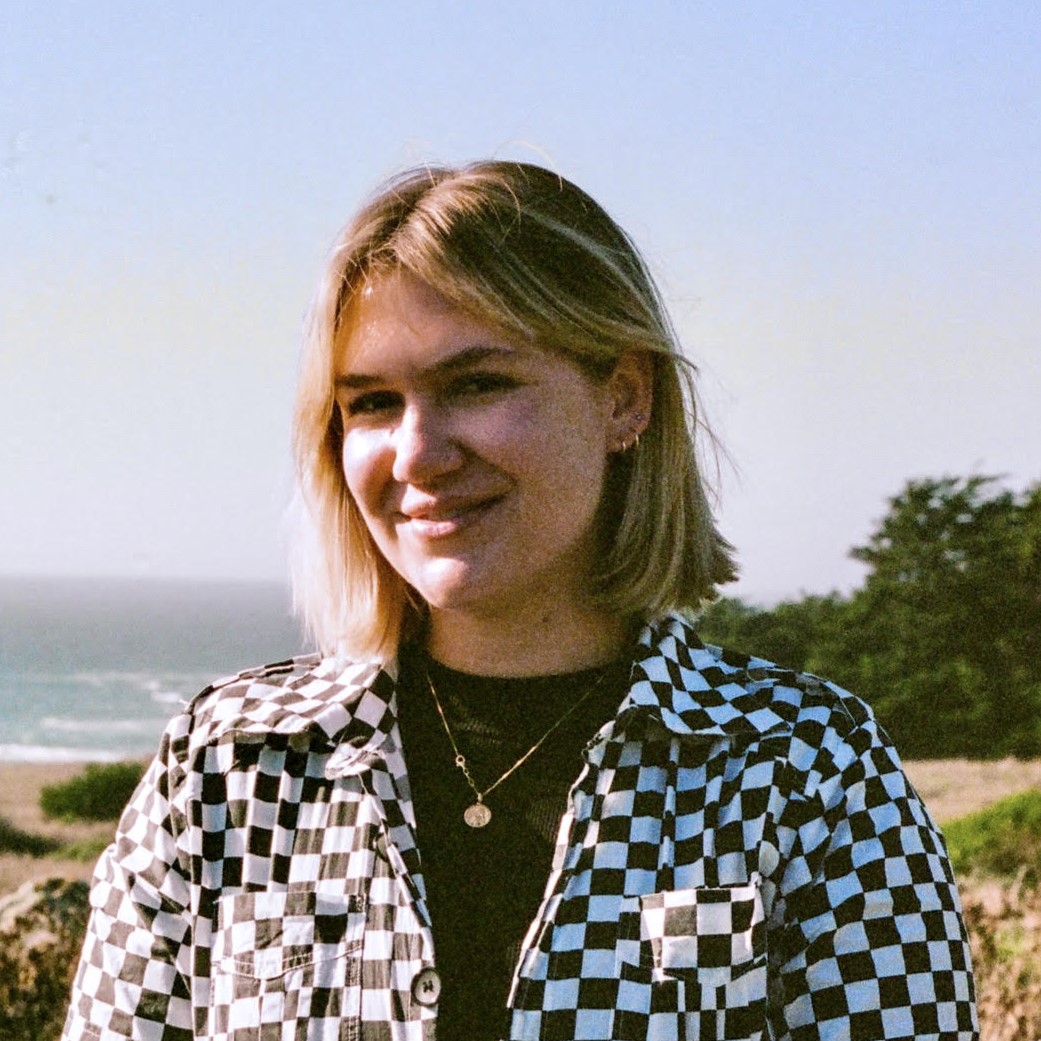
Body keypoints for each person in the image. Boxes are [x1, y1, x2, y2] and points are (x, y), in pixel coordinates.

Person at [63, 160, 977, 1041]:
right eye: (373, 403)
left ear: (623, 399)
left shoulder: (801, 770)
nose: (416, 454)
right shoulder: (229, 764)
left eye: (478, 384)